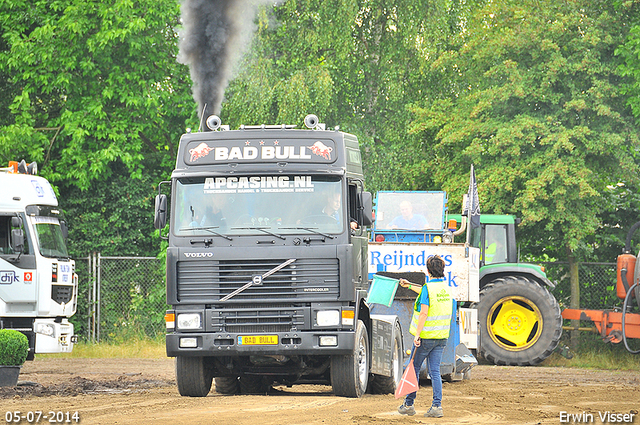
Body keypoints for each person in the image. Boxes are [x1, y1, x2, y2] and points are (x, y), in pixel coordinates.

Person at [397, 255, 455, 418]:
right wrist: (409, 286)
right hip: (441, 337)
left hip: (426, 337)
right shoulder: (446, 288)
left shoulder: (427, 289)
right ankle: (437, 406)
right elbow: (426, 291)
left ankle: (409, 404)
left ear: (428, 271)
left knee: (413, 366)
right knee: (434, 371)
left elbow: (423, 312)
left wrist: (417, 335)